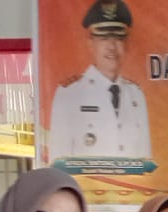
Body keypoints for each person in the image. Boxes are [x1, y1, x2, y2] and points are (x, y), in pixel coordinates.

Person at [47, 0, 152, 160]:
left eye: (118, 38)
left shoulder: (136, 96)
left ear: (127, 44)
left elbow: (145, 161)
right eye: (104, 38)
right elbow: (58, 163)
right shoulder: (70, 94)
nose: (112, 47)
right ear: (91, 44)